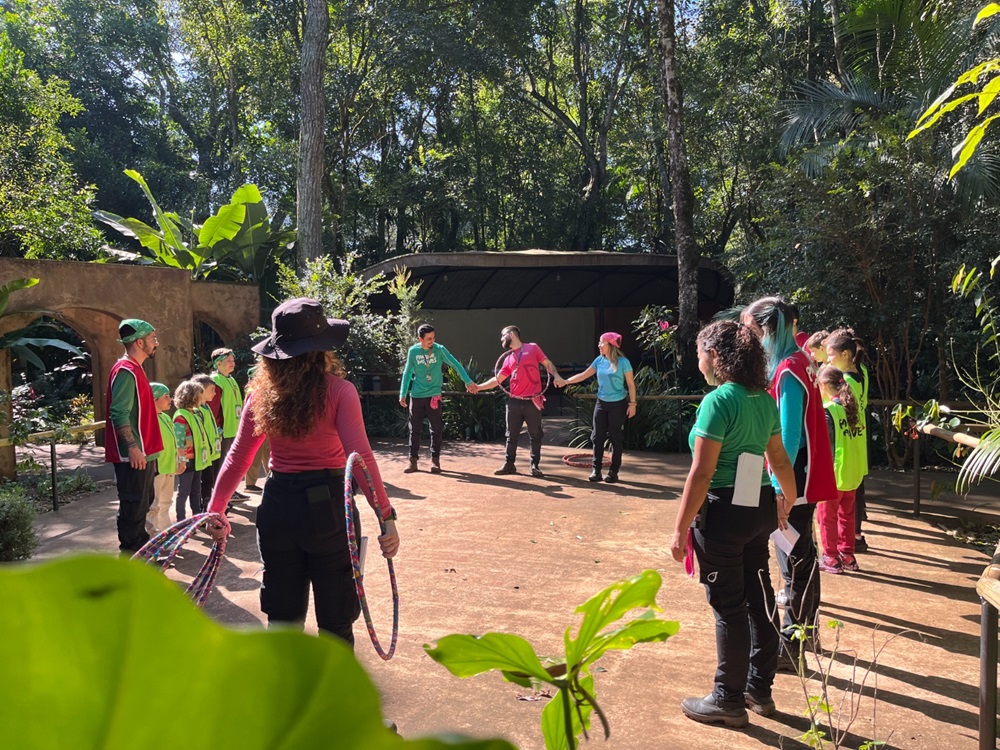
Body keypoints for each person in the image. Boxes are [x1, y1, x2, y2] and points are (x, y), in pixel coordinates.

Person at [207, 297, 399, 646]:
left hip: (279, 508)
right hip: (329, 511)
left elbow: (239, 458)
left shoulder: (260, 395)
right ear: (322, 349)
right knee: (336, 622)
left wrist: (215, 511)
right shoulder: (340, 391)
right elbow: (361, 459)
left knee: (283, 621)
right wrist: (385, 515)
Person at [670, 320, 799, 727]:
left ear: (715, 356)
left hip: (723, 512)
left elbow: (702, 472)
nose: (698, 362)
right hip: (758, 508)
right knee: (758, 598)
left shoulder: (718, 401)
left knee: (729, 606)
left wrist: (679, 528)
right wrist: (787, 501)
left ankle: (727, 698)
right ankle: (759, 691)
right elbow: (778, 459)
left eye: (699, 354)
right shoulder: (762, 399)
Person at [742, 297, 837, 669]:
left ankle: (791, 644)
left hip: (793, 479)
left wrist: (781, 489)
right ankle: (804, 633)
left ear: (767, 329)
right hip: (800, 476)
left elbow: (791, 436)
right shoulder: (799, 362)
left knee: (793, 559)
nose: (749, 338)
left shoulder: (786, 370)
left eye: (751, 330)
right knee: (802, 554)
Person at [105, 319, 164, 552]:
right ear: (139, 342)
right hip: (135, 455)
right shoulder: (125, 371)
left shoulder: (136, 369)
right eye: (152, 338)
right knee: (133, 507)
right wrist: (132, 447)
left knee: (142, 505)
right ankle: (131, 556)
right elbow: (118, 412)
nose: (156, 342)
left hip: (146, 453)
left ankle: (141, 550)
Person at [475, 325, 563, 478]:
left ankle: (535, 465)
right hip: (514, 401)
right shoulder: (508, 358)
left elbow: (547, 364)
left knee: (535, 434)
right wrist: (479, 387)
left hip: (533, 399)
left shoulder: (533, 348)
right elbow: (498, 380)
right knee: (511, 434)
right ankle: (509, 464)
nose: (501, 340)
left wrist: (556, 376)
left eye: (503, 336)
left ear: (511, 334)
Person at [556, 332, 637, 483]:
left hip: (618, 404)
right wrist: (566, 381)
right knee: (597, 437)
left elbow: (631, 385)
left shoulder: (623, 362)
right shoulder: (599, 360)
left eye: (601, 343)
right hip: (601, 403)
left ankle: (613, 472)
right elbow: (584, 375)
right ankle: (596, 470)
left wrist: (633, 404)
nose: (599, 345)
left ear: (610, 345)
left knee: (615, 438)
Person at [398, 324, 478, 473]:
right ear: (420, 339)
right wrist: (403, 393)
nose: (432, 341)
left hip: (434, 394)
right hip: (417, 396)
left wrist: (468, 381)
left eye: (433, 338)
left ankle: (435, 461)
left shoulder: (440, 349)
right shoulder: (413, 351)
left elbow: (455, 364)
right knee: (414, 429)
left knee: (436, 429)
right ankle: (412, 461)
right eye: (428, 339)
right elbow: (407, 372)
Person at [816, 365, 865, 574]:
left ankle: (830, 557)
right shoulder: (852, 408)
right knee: (847, 516)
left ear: (824, 385)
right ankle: (847, 555)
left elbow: (825, 444)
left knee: (826, 517)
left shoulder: (830, 411)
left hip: (834, 474)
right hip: (852, 472)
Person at [825, 329, 871, 552]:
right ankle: (851, 543)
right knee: (853, 495)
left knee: (840, 506)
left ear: (845, 354)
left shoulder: (847, 382)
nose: (828, 361)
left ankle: (839, 549)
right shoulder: (861, 370)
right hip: (857, 440)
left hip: (846, 446)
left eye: (831, 356)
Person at [145, 383, 181, 535]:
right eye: (166, 397)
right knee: (153, 506)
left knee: (166, 502)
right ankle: (151, 537)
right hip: (157, 469)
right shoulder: (147, 419)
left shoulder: (166, 417)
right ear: (153, 400)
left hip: (169, 467)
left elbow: (175, 442)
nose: (170, 399)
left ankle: (165, 533)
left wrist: (179, 460)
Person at [173, 381, 211, 522]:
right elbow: (179, 441)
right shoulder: (180, 416)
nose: (202, 399)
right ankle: (181, 522)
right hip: (187, 461)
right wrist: (181, 461)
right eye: (200, 395)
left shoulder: (195, 413)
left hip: (198, 459)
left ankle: (196, 519)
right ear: (192, 396)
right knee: (183, 492)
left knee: (196, 491)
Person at [193, 373, 223, 502]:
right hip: (205, 455)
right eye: (212, 390)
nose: (215, 393)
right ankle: (203, 508)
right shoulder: (196, 410)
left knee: (211, 482)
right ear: (201, 390)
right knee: (204, 484)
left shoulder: (206, 407)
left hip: (213, 454)